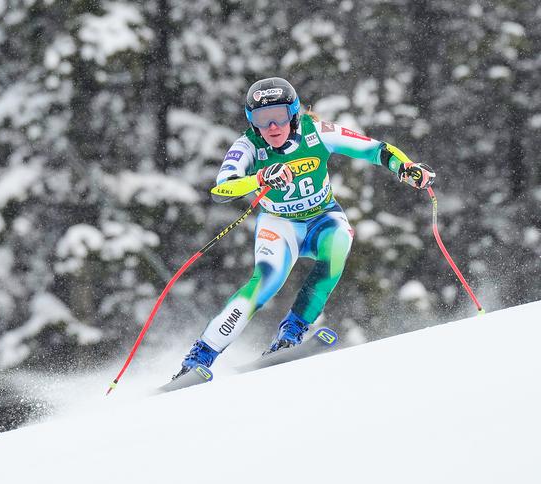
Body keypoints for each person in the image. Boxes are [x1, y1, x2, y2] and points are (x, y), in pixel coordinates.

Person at [173, 77, 435, 379]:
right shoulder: (247, 145)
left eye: (279, 117)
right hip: (280, 224)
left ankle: (291, 333)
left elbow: (376, 150)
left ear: (294, 114)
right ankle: (200, 356)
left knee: (337, 249)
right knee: (266, 283)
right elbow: (222, 190)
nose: (271, 127)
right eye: (261, 119)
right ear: (251, 121)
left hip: (322, 217)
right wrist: (259, 178)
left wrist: (405, 167)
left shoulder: (319, 133)